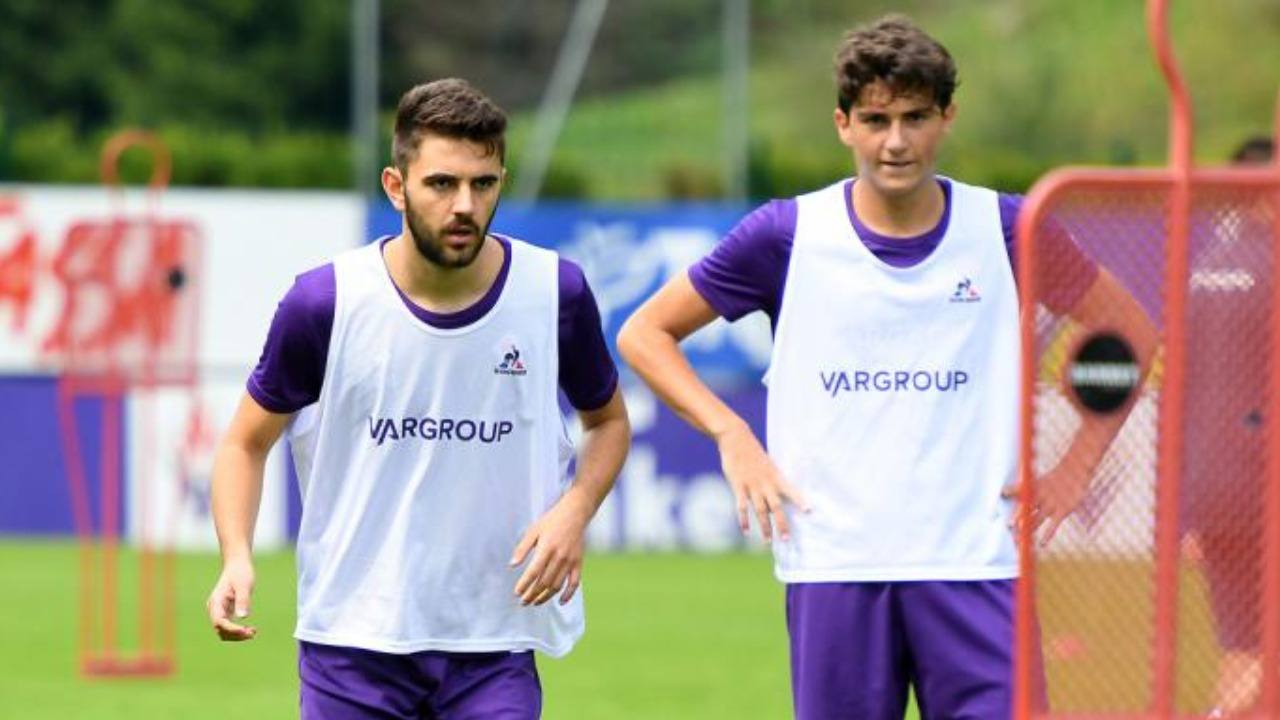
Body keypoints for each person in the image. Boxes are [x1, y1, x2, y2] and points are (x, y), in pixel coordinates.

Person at [618, 15, 1157, 719]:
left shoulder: (1007, 228)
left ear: (947, 117)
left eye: (915, 117)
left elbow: (1132, 333)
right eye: (875, 120)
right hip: (835, 565)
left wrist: (1077, 468)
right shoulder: (786, 233)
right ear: (843, 124)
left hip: (977, 563)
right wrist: (731, 434)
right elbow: (644, 334)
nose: (896, 141)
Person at [205, 78, 630, 719]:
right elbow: (245, 442)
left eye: (482, 184)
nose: (464, 205)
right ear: (396, 186)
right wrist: (236, 556)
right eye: (441, 184)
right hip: (351, 643)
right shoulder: (325, 303)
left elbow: (608, 422)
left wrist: (576, 509)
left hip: (495, 644)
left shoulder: (555, 293)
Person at [1184, 135, 1275, 716]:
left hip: (1209, 485)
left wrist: (1188, 509)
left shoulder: (1207, 266)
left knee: (1241, 649)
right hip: (1261, 486)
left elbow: (1186, 384)